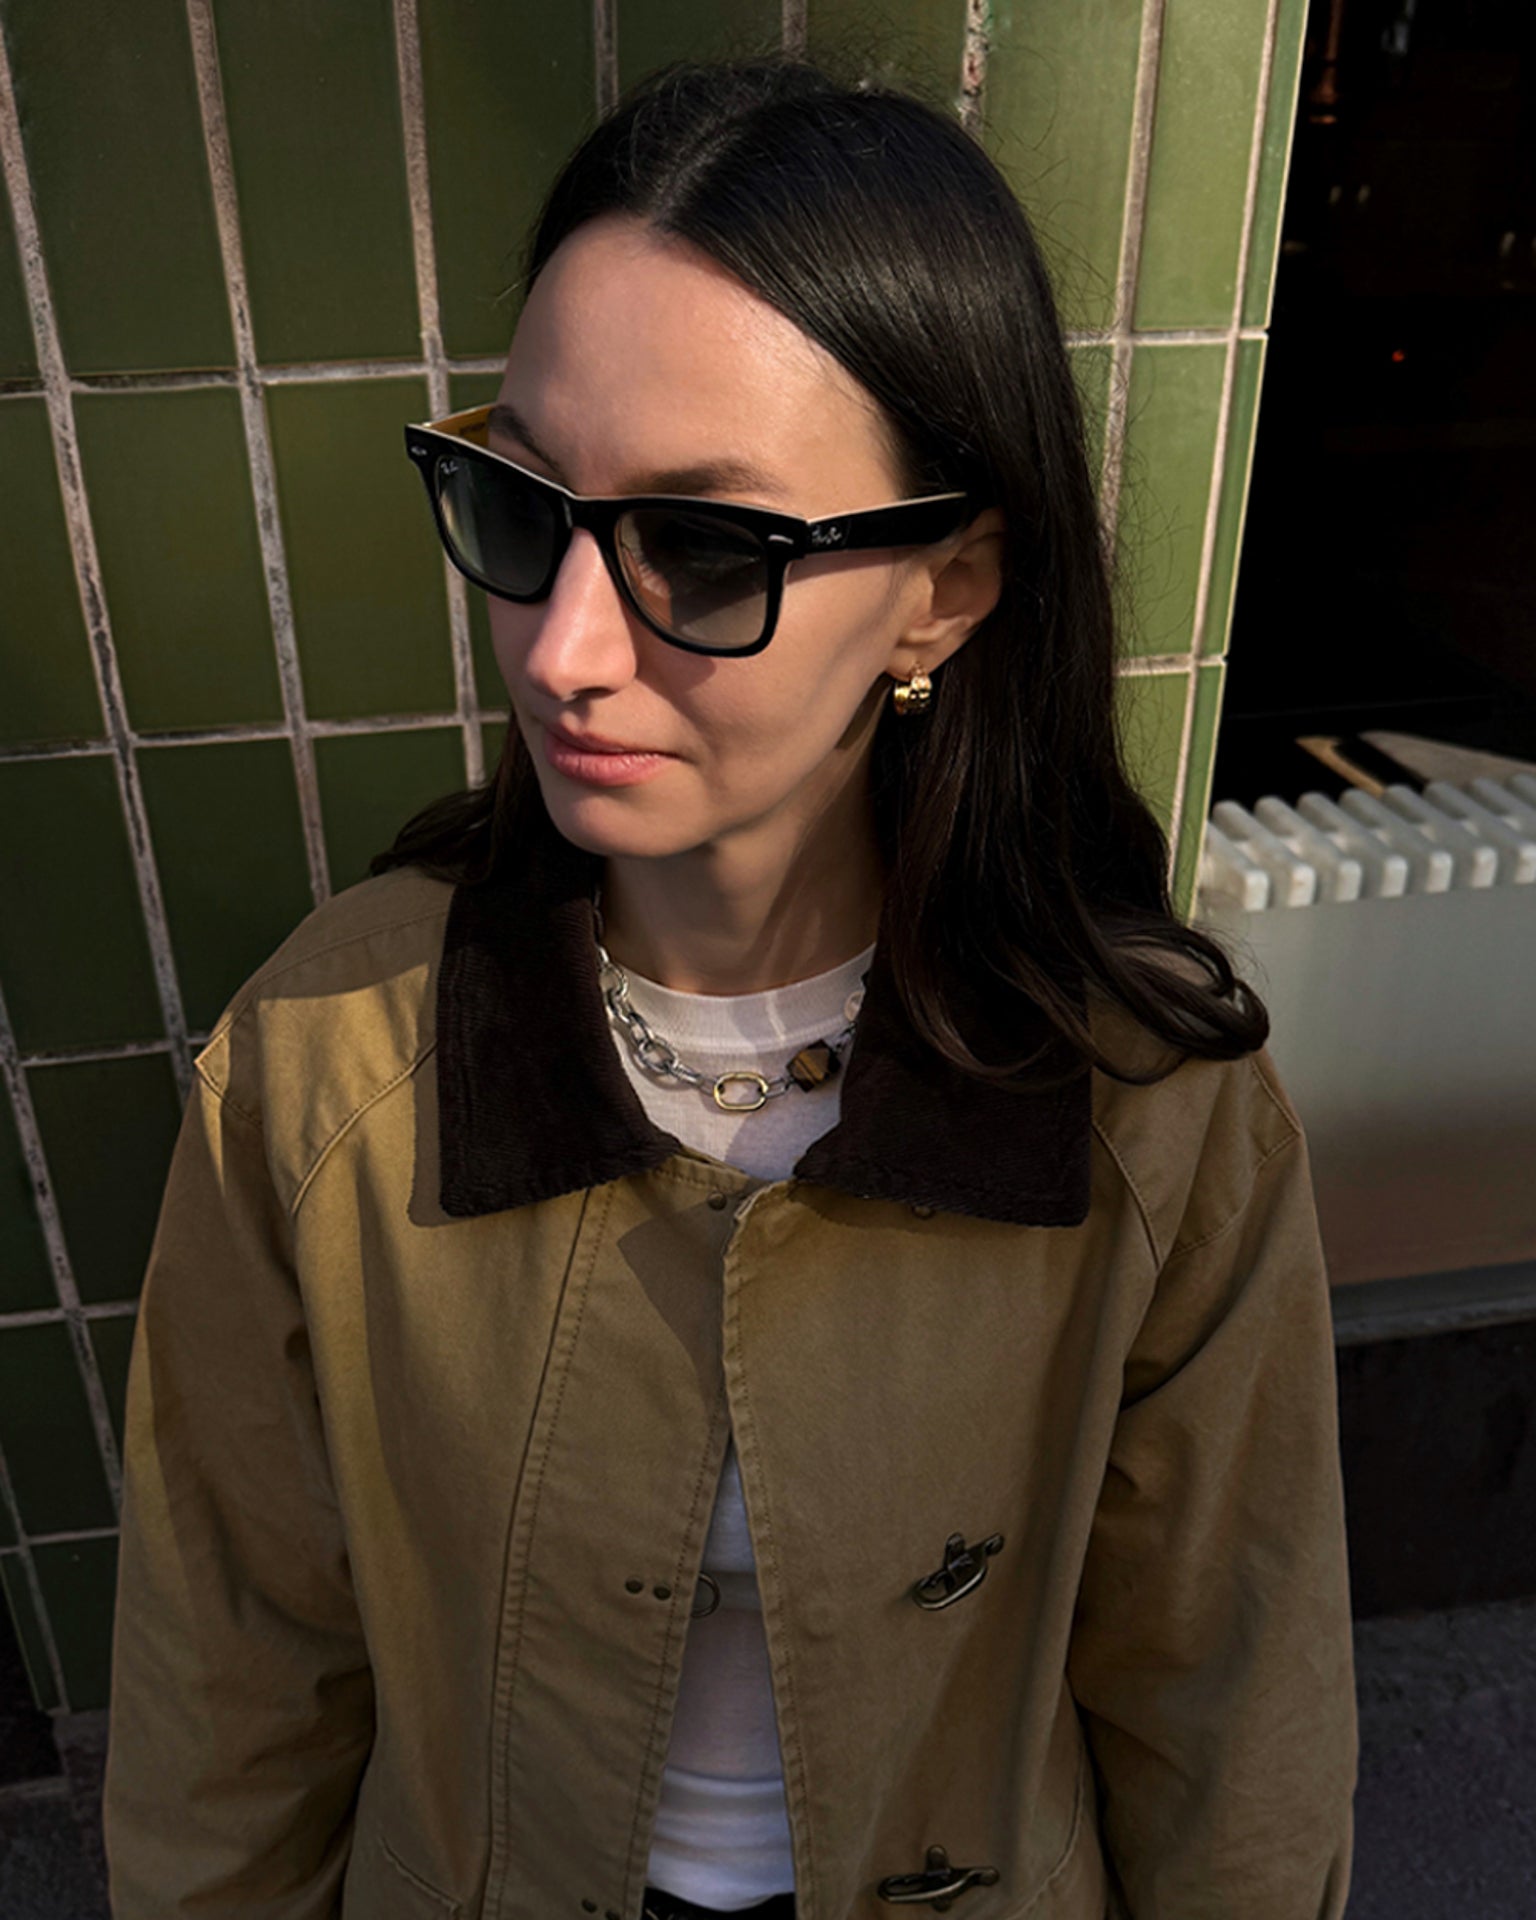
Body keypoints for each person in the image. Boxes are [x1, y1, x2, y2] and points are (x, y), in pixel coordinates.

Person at [103, 53, 1357, 1920]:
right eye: (523, 503)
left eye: (704, 546)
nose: (562, 649)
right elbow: (230, 1695)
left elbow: (1232, 1724)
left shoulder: (1150, 1115)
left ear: (944, 590)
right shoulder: (327, 1071)